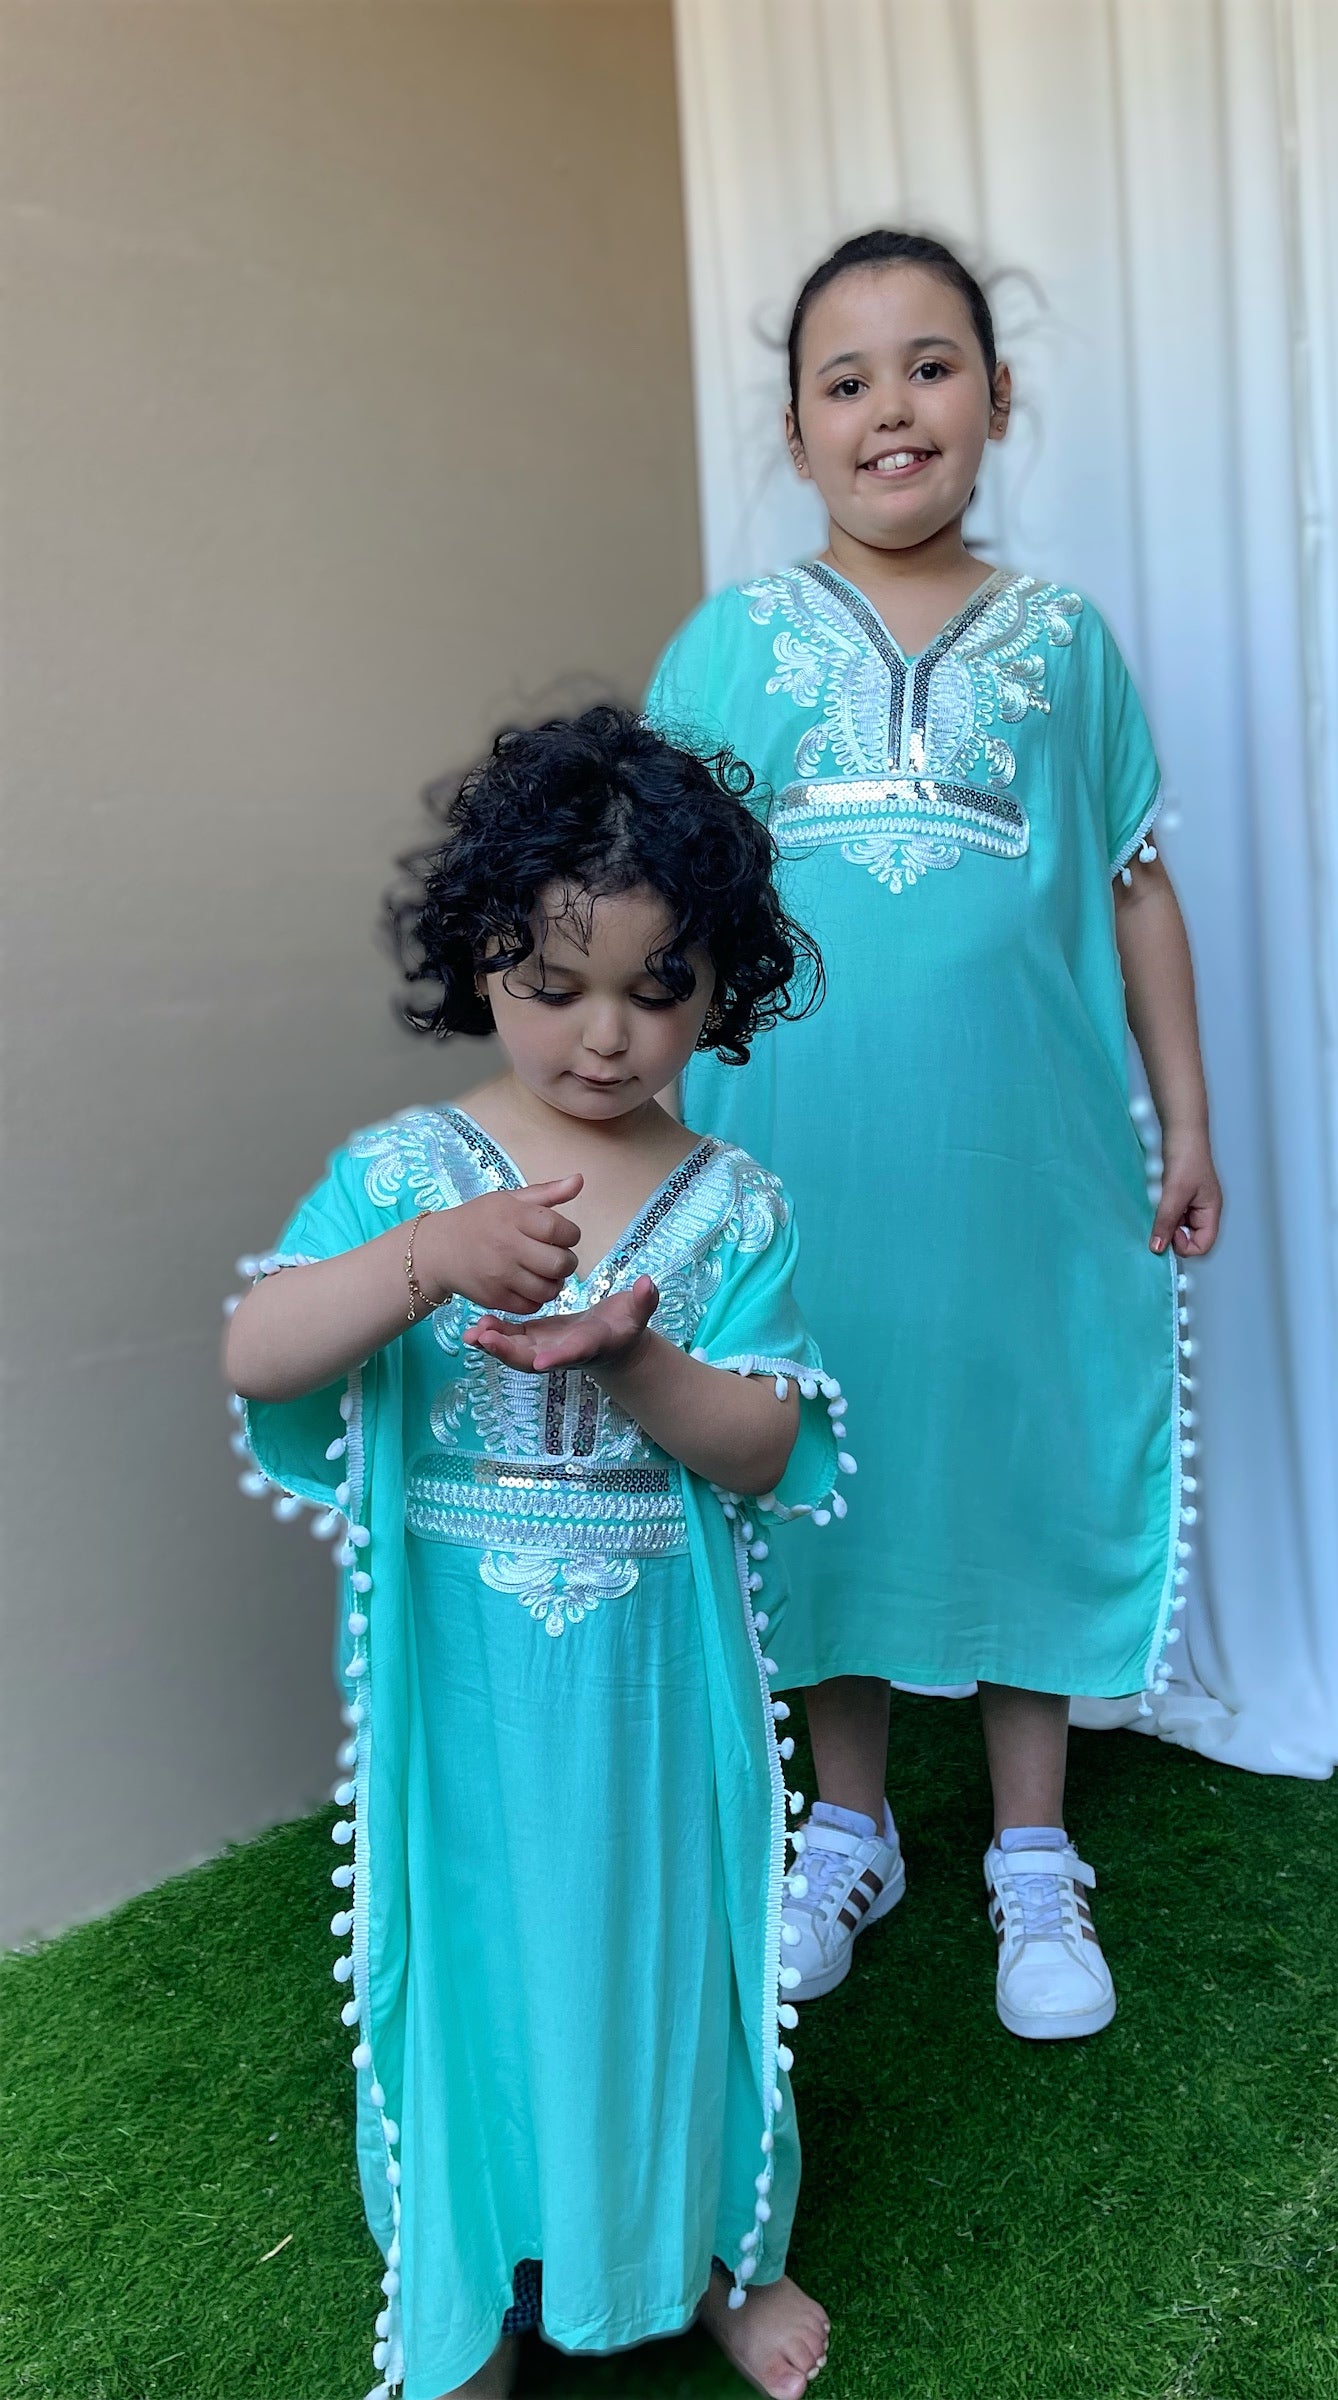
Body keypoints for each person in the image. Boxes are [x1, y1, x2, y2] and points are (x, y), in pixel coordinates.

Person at [223, 707, 841, 2400]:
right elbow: (262, 1355)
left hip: (657, 1691)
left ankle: (701, 2252)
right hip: (469, 1700)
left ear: (723, 986)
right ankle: (478, 2285)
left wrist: (636, 1361)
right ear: (478, 957)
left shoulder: (732, 1203)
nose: (606, 1034)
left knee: (667, 1958)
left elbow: (767, 1446)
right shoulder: (406, 1176)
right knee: (482, 1966)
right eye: (555, 984)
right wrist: (424, 1261)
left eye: (660, 987)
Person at [646, 230, 1222, 2043]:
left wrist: (1184, 1121)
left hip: (1023, 1166)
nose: (889, 407)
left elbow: (1133, 889)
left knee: (1015, 1445)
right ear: (795, 430)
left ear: (994, 396)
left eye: (928, 364)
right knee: (821, 1454)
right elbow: (655, 912)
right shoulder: (728, 646)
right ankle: (850, 1828)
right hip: (792, 1167)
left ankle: (1032, 1854)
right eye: (845, 379)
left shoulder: (1063, 645)